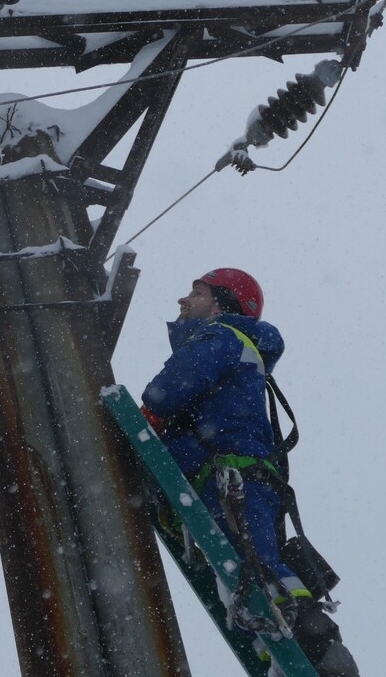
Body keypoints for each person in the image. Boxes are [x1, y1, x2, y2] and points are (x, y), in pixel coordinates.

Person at [141, 268, 359, 677]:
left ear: (221, 303)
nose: (183, 300)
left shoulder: (221, 336)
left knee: (258, 573)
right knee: (249, 576)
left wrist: (148, 418)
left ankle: (324, 660)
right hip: (239, 481)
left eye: (197, 291)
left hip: (231, 480)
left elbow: (165, 391)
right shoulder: (239, 348)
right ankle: (292, 659)